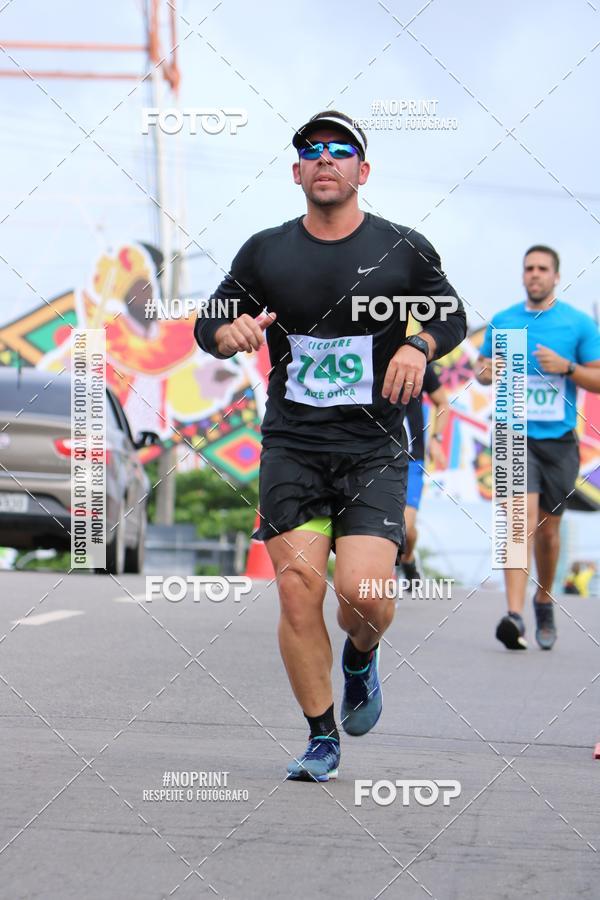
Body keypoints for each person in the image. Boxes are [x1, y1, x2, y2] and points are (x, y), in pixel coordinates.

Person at [195, 110, 466, 781]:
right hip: (292, 443)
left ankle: (360, 657)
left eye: (339, 150)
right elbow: (213, 319)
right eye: (310, 150)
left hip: (373, 446)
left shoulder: (403, 248)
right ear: (296, 171)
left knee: (364, 595)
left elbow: (451, 313)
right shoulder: (266, 252)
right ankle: (321, 737)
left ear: (361, 171)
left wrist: (416, 342)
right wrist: (223, 335)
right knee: (296, 591)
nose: (324, 158)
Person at [475, 245, 600, 650]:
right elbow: (481, 370)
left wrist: (567, 368)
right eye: (529, 268)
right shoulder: (504, 321)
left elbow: (597, 378)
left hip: (559, 440)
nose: (534, 274)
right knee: (517, 519)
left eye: (542, 269)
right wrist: (487, 371)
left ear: (556, 276)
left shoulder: (578, 325)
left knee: (548, 532)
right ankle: (513, 615)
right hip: (513, 433)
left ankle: (543, 599)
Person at [396, 363, 449, 585]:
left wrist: (436, 440)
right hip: (374, 459)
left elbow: (443, 402)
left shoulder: (416, 362)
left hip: (412, 461)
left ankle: (408, 559)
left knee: (406, 529)